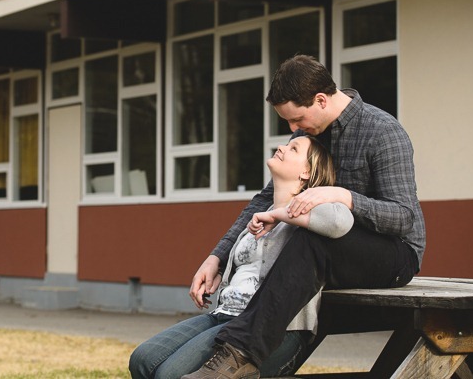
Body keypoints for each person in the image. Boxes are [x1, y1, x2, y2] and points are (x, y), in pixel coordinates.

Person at [183, 54, 426, 379]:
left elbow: (403, 218)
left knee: (312, 238)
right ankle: (230, 343)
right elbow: (265, 201)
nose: (293, 130)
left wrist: (343, 195)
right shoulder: (309, 133)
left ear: (321, 99)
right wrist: (216, 256)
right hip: (329, 252)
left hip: (394, 255)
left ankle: (239, 356)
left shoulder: (382, 132)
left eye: (296, 120)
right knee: (309, 236)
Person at [129, 135, 353, 378]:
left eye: (293, 149)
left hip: (273, 329)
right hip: (224, 314)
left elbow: (340, 221)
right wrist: (221, 268)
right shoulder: (260, 214)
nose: (281, 147)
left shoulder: (311, 216)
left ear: (307, 173)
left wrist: (280, 215)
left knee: (168, 374)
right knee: (143, 360)